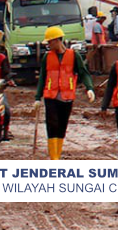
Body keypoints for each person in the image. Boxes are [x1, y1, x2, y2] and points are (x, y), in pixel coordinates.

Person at [33, 27, 95, 160]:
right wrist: (38, 97)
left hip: (67, 97)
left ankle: (57, 154)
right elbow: (43, 77)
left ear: (57, 41)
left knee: (62, 126)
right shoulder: (47, 57)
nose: (48, 45)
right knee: (52, 124)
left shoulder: (74, 56)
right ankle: (54, 158)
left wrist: (89, 88)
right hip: (51, 96)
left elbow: (83, 73)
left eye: (50, 42)